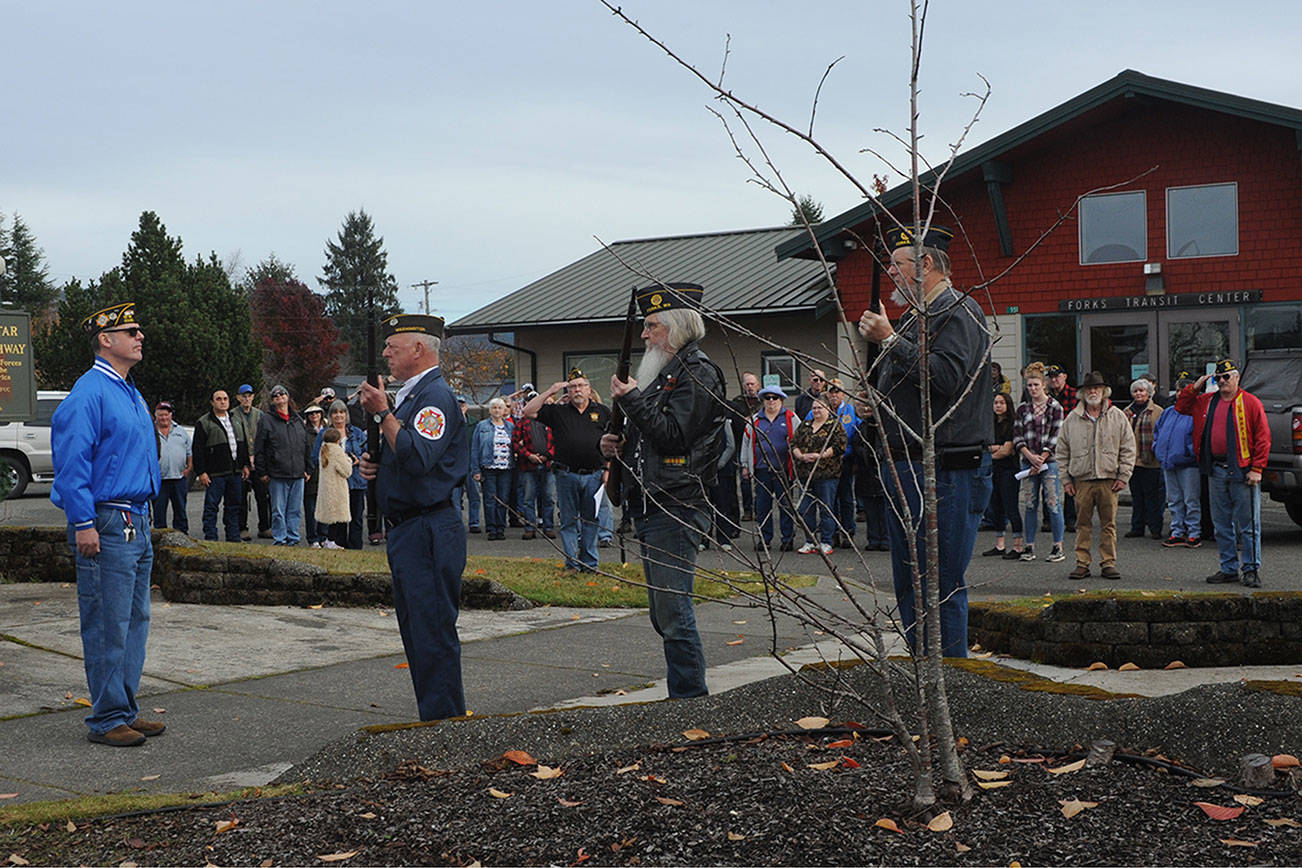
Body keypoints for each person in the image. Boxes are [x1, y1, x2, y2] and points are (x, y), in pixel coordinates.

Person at [856, 224, 992, 658]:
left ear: (926, 264)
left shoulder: (959, 311)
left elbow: (946, 378)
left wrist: (890, 340)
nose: (891, 273)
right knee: (909, 584)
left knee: (939, 585)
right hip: (906, 466)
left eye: (897, 264)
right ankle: (924, 679)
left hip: (945, 469)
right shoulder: (918, 318)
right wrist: (875, 403)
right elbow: (912, 388)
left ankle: (952, 688)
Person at [602, 281, 727, 699]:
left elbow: (674, 435)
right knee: (663, 612)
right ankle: (684, 695)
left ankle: (690, 700)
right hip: (653, 503)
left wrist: (633, 400)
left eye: (652, 326)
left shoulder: (699, 372)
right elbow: (650, 437)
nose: (644, 334)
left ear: (674, 328)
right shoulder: (664, 373)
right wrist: (613, 442)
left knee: (674, 613)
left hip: (676, 504)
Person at [50, 301, 164, 747]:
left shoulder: (129, 390)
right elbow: (72, 463)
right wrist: (83, 522)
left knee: (134, 619)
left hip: (136, 517)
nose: (140, 337)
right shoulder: (90, 392)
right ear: (105, 339)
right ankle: (107, 717)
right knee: (106, 622)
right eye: (131, 331)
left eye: (139, 331)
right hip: (107, 519)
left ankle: (123, 708)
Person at [358, 313, 468, 721]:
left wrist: (384, 414)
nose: (385, 353)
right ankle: (435, 721)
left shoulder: (434, 397)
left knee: (433, 636)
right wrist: (378, 466)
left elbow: (420, 456)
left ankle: (445, 728)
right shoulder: (412, 395)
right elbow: (404, 454)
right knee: (418, 635)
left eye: (393, 346)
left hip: (428, 530)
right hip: (410, 530)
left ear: (419, 350)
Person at [1175, 359, 1271, 587]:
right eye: (1218, 378)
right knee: (1221, 524)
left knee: (1248, 525)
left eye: (1226, 377)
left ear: (1237, 378)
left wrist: (1257, 469)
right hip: (1216, 469)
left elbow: (1263, 437)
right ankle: (1228, 568)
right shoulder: (1206, 402)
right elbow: (1181, 406)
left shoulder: (1250, 402)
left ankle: (1251, 569)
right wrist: (1196, 386)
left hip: (1243, 470)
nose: (1221, 381)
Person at [523, 369, 609, 572]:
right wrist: (550, 392)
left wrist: (608, 469)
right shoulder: (558, 411)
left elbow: (614, 442)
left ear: (589, 389)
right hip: (566, 474)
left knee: (590, 521)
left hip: (594, 474)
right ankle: (573, 563)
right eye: (572, 387)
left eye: (581, 386)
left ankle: (590, 564)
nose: (577, 390)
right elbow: (528, 412)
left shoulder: (603, 412)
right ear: (567, 391)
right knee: (568, 522)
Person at [1056, 371, 1136, 580]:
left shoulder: (1117, 416)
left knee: (1109, 525)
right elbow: (1062, 452)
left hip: (1109, 480)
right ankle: (1082, 563)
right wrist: (1065, 480)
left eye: (1097, 388)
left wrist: (1123, 476)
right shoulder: (1071, 419)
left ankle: (1108, 563)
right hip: (1081, 481)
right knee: (1082, 525)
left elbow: (1128, 447)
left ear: (1104, 391)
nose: (1093, 392)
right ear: (1082, 393)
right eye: (1089, 389)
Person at [1013, 363, 1067, 564]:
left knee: (1053, 503)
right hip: (1028, 461)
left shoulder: (1055, 407)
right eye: (1030, 386)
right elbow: (1017, 436)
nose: (1033, 389)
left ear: (1044, 385)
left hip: (1049, 462)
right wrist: (1029, 456)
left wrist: (1042, 457)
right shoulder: (1022, 409)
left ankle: (1057, 546)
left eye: (1036, 385)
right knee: (1029, 504)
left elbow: (1056, 435)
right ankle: (1029, 545)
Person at [740, 385, 797, 552]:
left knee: (786, 506)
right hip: (761, 469)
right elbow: (746, 442)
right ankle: (764, 539)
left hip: (783, 470)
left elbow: (800, 440)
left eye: (775, 397)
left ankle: (787, 539)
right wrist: (745, 465)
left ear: (781, 400)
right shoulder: (755, 420)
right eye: (767, 398)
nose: (771, 401)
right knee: (762, 506)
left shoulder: (791, 418)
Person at [254, 385, 312, 546]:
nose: (279, 396)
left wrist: (308, 469)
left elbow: (306, 446)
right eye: (275, 395)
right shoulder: (266, 420)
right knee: (278, 511)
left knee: (295, 510)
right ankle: (280, 539)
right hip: (277, 473)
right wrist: (262, 472)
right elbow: (259, 448)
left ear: (288, 397)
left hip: (298, 473)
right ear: (272, 400)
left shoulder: (298, 420)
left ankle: (293, 538)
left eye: (282, 394)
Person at [791, 394, 846, 555]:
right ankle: (810, 541)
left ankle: (826, 541)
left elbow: (839, 446)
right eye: (814, 408)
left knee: (826, 509)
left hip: (826, 475)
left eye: (819, 407)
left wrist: (820, 456)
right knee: (805, 509)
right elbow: (794, 442)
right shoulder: (805, 425)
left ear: (827, 408)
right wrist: (800, 456)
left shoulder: (834, 426)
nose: (816, 410)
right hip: (805, 475)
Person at [193, 389, 250, 542]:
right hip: (215, 474)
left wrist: (245, 465)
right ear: (212, 402)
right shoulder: (204, 422)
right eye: (218, 399)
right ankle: (211, 537)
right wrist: (201, 472)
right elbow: (197, 450)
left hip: (235, 472)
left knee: (233, 506)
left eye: (225, 398)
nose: (222, 401)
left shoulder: (236, 419)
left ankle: (233, 537)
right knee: (211, 507)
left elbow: (243, 444)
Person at [1153, 371, 1201, 548]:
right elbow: (1157, 432)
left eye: (1184, 390)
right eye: (1178, 390)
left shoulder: (1195, 412)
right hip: (1168, 462)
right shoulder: (1169, 412)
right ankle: (1177, 530)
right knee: (1174, 499)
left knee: (1191, 499)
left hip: (1188, 464)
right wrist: (1157, 449)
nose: (1180, 394)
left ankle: (1194, 532)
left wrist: (1188, 454)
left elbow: (1197, 436)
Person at [313, 399, 367, 549]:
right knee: (338, 518)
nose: (339, 415)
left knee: (356, 517)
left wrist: (358, 460)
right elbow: (316, 456)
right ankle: (338, 544)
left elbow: (368, 452)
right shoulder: (324, 433)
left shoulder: (356, 432)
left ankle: (355, 547)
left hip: (356, 480)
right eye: (335, 412)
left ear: (346, 414)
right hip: (335, 483)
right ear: (330, 416)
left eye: (342, 412)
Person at [983, 392, 1024, 559]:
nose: (998, 405)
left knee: (1011, 507)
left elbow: (1007, 451)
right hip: (995, 470)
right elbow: (985, 445)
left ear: (1008, 405)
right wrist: (994, 449)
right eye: (995, 402)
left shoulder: (1012, 425)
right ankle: (999, 544)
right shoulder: (990, 425)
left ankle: (1018, 545)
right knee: (997, 507)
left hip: (1010, 470)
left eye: (1001, 402)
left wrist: (990, 452)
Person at [1124, 378, 1166, 540]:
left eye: (1142, 390)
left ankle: (1155, 528)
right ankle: (1137, 527)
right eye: (1136, 391)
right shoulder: (1126, 412)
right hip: (1133, 462)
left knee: (1152, 498)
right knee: (1137, 497)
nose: (1139, 393)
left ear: (1148, 392)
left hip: (1152, 461)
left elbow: (1161, 435)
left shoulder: (1158, 411)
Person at [823, 378, 861, 548]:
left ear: (843, 394)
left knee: (846, 498)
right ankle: (834, 532)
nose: (834, 395)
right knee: (831, 499)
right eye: (831, 392)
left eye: (837, 391)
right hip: (826, 462)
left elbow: (857, 434)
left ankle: (848, 532)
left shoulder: (850, 411)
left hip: (845, 460)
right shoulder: (820, 409)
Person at [471, 397, 514, 541]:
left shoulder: (510, 427)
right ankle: (491, 528)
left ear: (504, 411)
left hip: (506, 468)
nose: (497, 410)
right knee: (490, 499)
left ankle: (501, 528)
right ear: (490, 410)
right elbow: (475, 448)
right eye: (494, 407)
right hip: (488, 467)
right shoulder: (482, 426)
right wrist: (475, 470)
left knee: (503, 499)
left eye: (500, 408)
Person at [512, 403, 556, 539]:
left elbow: (559, 440)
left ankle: (548, 527)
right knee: (528, 499)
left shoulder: (551, 421)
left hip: (547, 465)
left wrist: (547, 455)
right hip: (528, 466)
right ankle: (530, 528)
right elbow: (514, 442)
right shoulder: (522, 423)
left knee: (548, 498)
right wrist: (528, 455)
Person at [234, 384, 270, 540]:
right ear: (238, 398)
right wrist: (243, 463)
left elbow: (265, 439)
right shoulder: (233, 415)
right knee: (241, 498)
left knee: (263, 497)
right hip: (242, 463)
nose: (246, 398)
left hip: (259, 462)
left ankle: (264, 527)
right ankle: (242, 528)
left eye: (249, 395)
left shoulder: (260, 415)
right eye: (243, 395)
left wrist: (260, 460)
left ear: (253, 397)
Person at [1045, 364, 1078, 533]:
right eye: (1051, 377)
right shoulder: (1045, 395)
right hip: (1049, 443)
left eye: (1057, 376)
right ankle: (1048, 519)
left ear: (1064, 377)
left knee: (1069, 481)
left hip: (1070, 443)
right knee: (1048, 480)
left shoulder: (1074, 395)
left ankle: (1071, 519)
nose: (1054, 380)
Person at [152, 401, 191, 534]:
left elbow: (189, 452)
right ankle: (160, 541)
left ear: (171, 415)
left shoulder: (181, 431)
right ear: (156, 416)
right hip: (159, 480)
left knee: (180, 511)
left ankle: (182, 537)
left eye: (166, 414)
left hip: (178, 478)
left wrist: (188, 469)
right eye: (160, 415)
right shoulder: (151, 432)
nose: (164, 418)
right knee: (159, 512)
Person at [315, 427, 352, 548]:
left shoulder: (323, 449)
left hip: (326, 488)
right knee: (336, 517)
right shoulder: (336, 451)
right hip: (337, 488)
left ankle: (325, 540)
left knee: (328, 516)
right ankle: (331, 541)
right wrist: (348, 459)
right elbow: (346, 471)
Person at [731, 372, 761, 521]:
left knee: (760, 480)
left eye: (752, 384)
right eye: (747, 384)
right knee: (744, 479)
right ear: (743, 386)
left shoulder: (765, 400)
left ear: (758, 385)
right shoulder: (736, 403)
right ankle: (748, 510)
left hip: (760, 445)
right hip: (741, 444)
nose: (750, 387)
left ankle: (759, 509)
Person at [450, 395, 482, 534]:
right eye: (457, 405)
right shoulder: (449, 423)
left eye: (462, 405)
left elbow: (478, 446)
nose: (460, 408)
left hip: (470, 465)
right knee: (455, 498)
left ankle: (474, 523)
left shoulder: (474, 424)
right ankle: (458, 524)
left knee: (474, 496)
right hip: (454, 467)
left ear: (466, 407)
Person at [301, 404, 327, 548]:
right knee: (311, 510)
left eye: (317, 413)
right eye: (311, 414)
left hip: (325, 475)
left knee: (324, 508)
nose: (314, 416)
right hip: (310, 475)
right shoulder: (304, 432)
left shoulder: (328, 430)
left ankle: (323, 535)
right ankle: (313, 538)